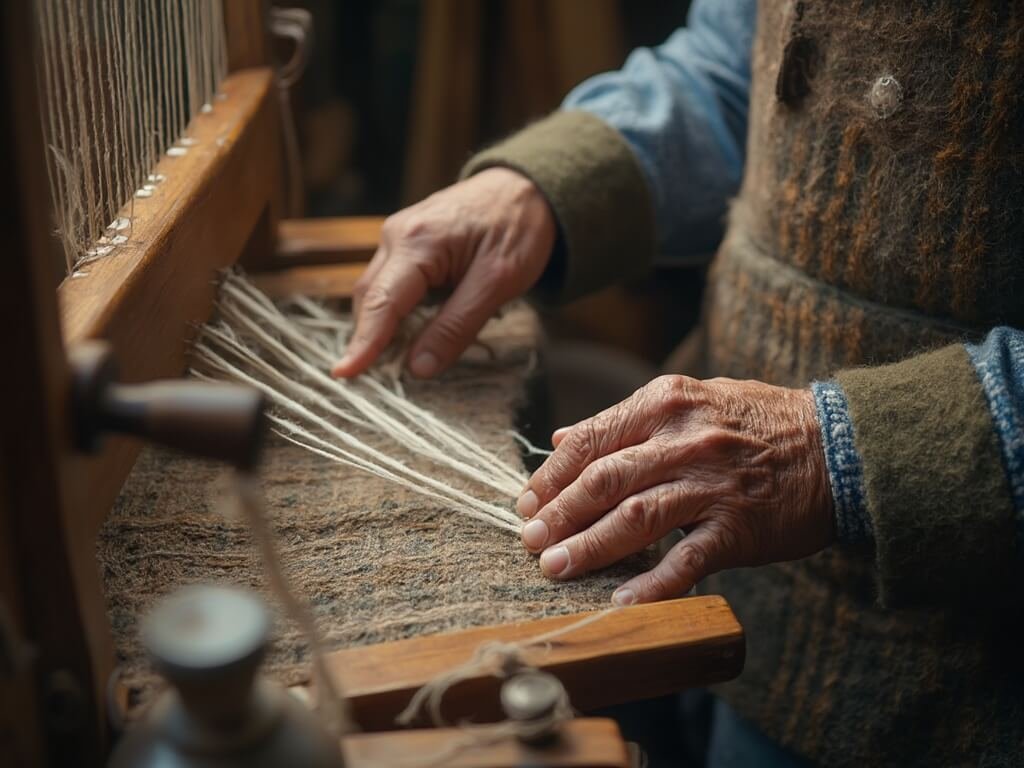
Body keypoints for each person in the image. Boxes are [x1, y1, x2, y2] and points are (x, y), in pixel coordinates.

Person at [333, 1, 1024, 765]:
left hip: (956, 682)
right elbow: (748, 66)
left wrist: (846, 454)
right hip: (714, 584)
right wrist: (546, 184)